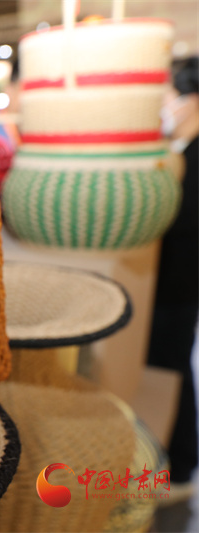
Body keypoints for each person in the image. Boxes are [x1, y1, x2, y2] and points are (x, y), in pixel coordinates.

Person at [148, 56, 199, 494]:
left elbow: (183, 219)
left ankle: (180, 467)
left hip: (179, 282)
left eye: (172, 95)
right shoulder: (180, 144)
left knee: (171, 363)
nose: (167, 104)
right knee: (168, 362)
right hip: (168, 279)